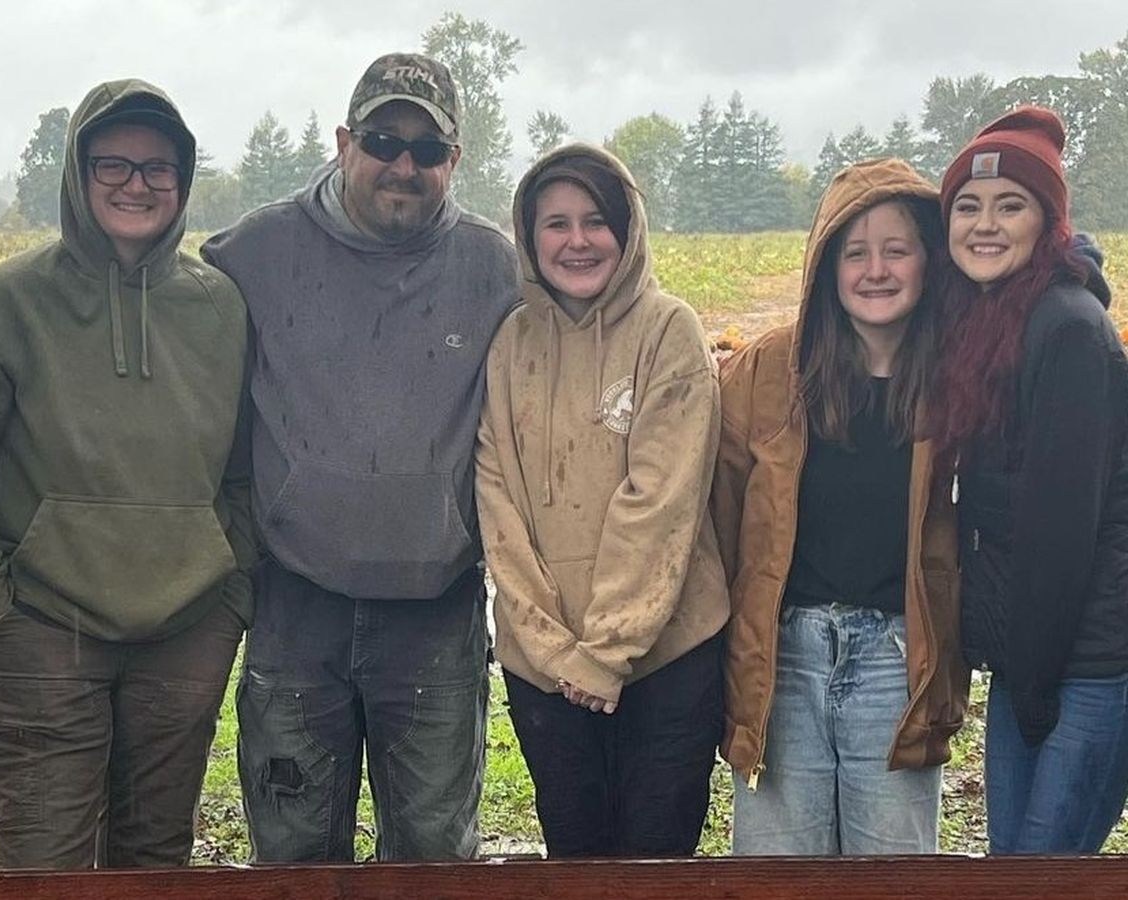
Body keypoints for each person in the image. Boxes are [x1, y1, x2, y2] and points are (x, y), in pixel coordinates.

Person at [201, 53, 519, 862]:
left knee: (434, 858)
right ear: (344, 143)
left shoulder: (497, 267)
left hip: (436, 615)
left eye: (427, 149)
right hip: (295, 610)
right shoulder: (252, 253)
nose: (403, 165)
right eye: (383, 141)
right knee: (294, 858)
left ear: (454, 160)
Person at [0, 79, 253, 868]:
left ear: (182, 180)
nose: (136, 185)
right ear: (78, 173)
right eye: (113, 164)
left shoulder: (221, 308)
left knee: (156, 863)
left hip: (185, 639)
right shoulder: (3, 306)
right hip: (41, 633)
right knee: (45, 867)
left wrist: (230, 598)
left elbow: (247, 472)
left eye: (158, 168)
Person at [475, 144, 730, 857]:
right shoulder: (511, 344)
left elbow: (662, 503)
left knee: (654, 861)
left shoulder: (669, 331)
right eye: (556, 223)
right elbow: (498, 500)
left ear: (628, 229)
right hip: (545, 667)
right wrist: (555, 651)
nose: (577, 241)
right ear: (530, 236)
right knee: (575, 858)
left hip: (667, 658)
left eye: (596, 221)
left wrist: (607, 651)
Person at [712, 158, 969, 855]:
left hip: (898, 660)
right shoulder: (769, 371)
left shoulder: (957, 378)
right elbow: (720, 518)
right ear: (826, 267)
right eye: (855, 253)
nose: (876, 270)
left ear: (929, 260)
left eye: (896, 250)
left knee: (892, 874)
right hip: (785, 659)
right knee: (777, 871)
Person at [933, 106, 1128, 854]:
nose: (985, 225)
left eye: (1010, 205)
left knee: (1043, 873)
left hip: (1088, 662)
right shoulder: (995, 319)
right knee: (1011, 868)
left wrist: (1037, 684)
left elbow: (1062, 530)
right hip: (1032, 657)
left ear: (1048, 223)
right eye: (968, 207)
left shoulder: (1069, 329)